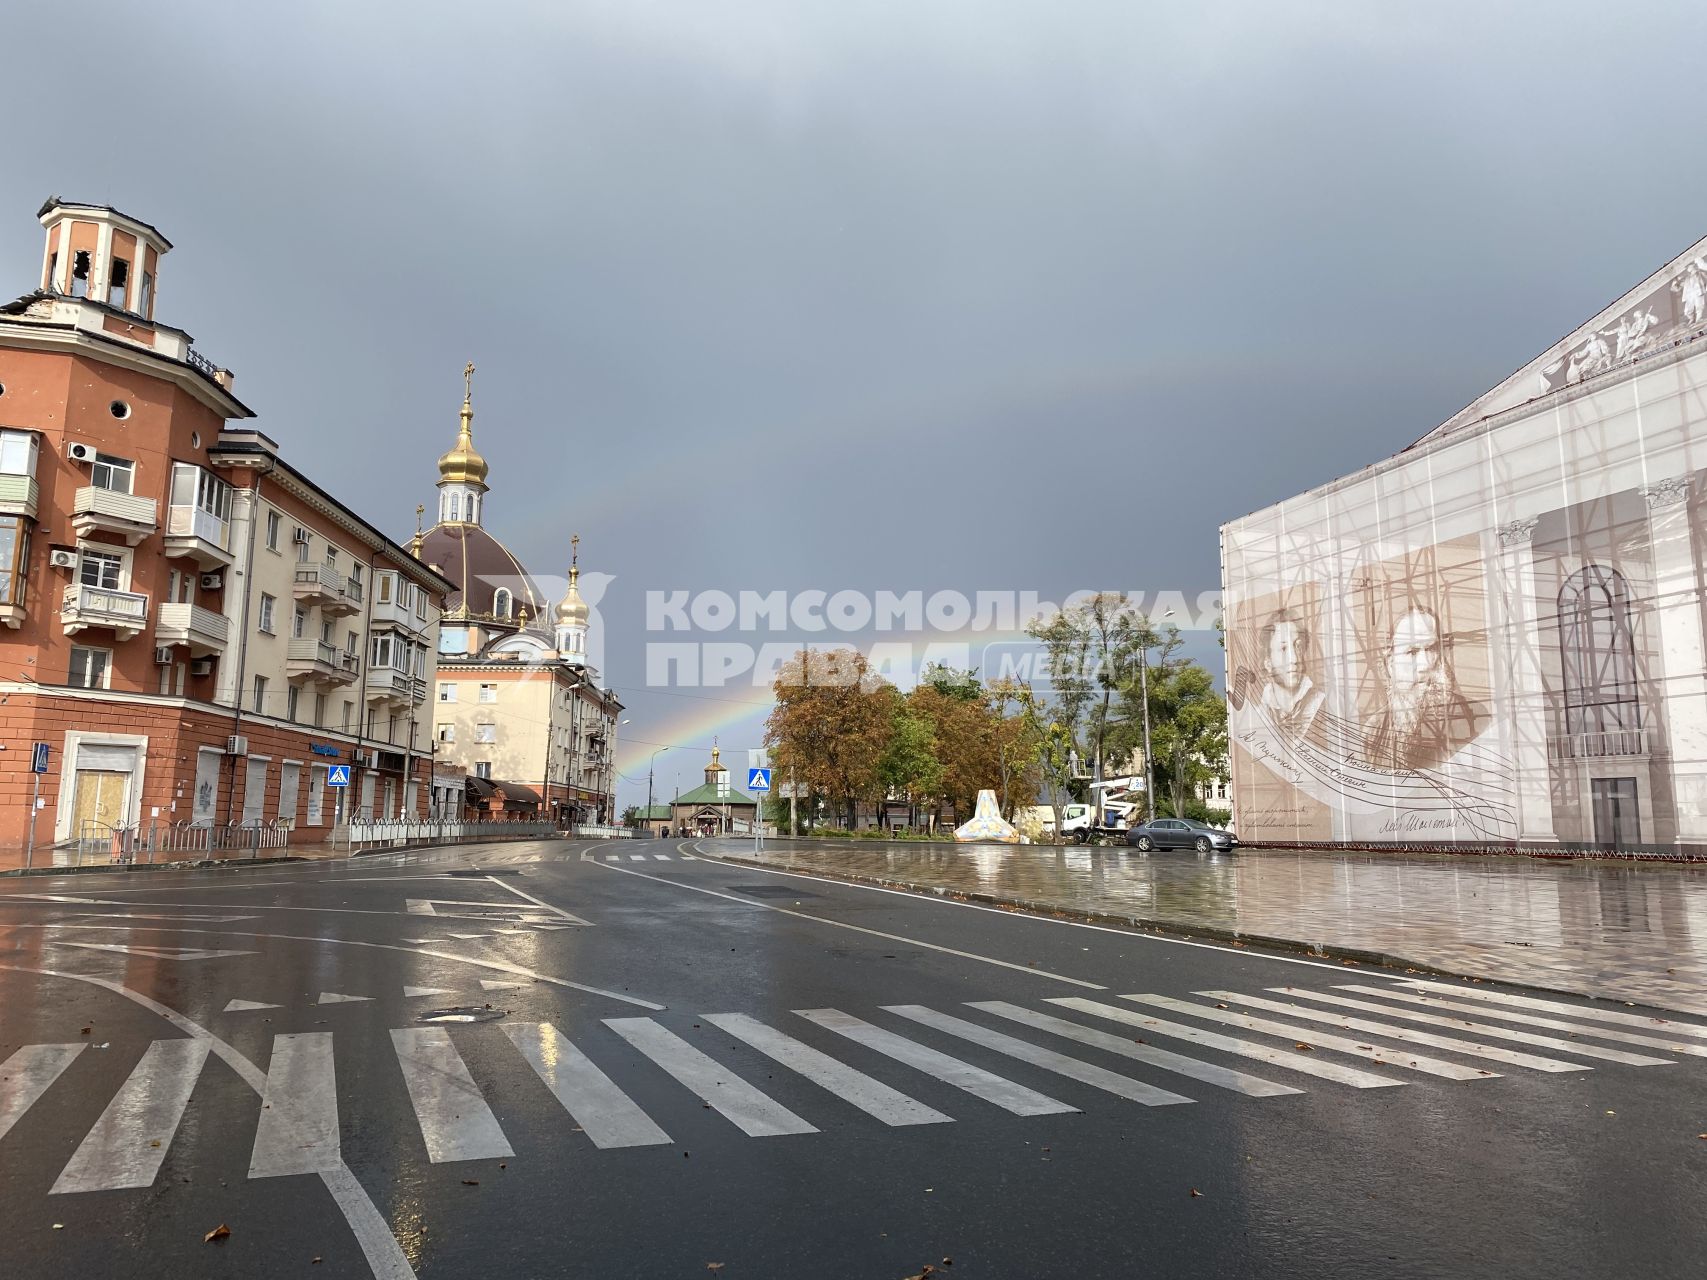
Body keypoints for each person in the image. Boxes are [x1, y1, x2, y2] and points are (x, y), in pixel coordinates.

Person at [1363, 606, 1481, 771]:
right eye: (1411, 652)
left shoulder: (1475, 718)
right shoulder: (1374, 730)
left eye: (1431, 649)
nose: (1425, 664)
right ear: (1390, 664)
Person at [1254, 610, 1325, 741]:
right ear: (1268, 662)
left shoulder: (1323, 705)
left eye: (1298, 646)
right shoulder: (1257, 719)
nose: (1294, 659)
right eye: (1283, 649)